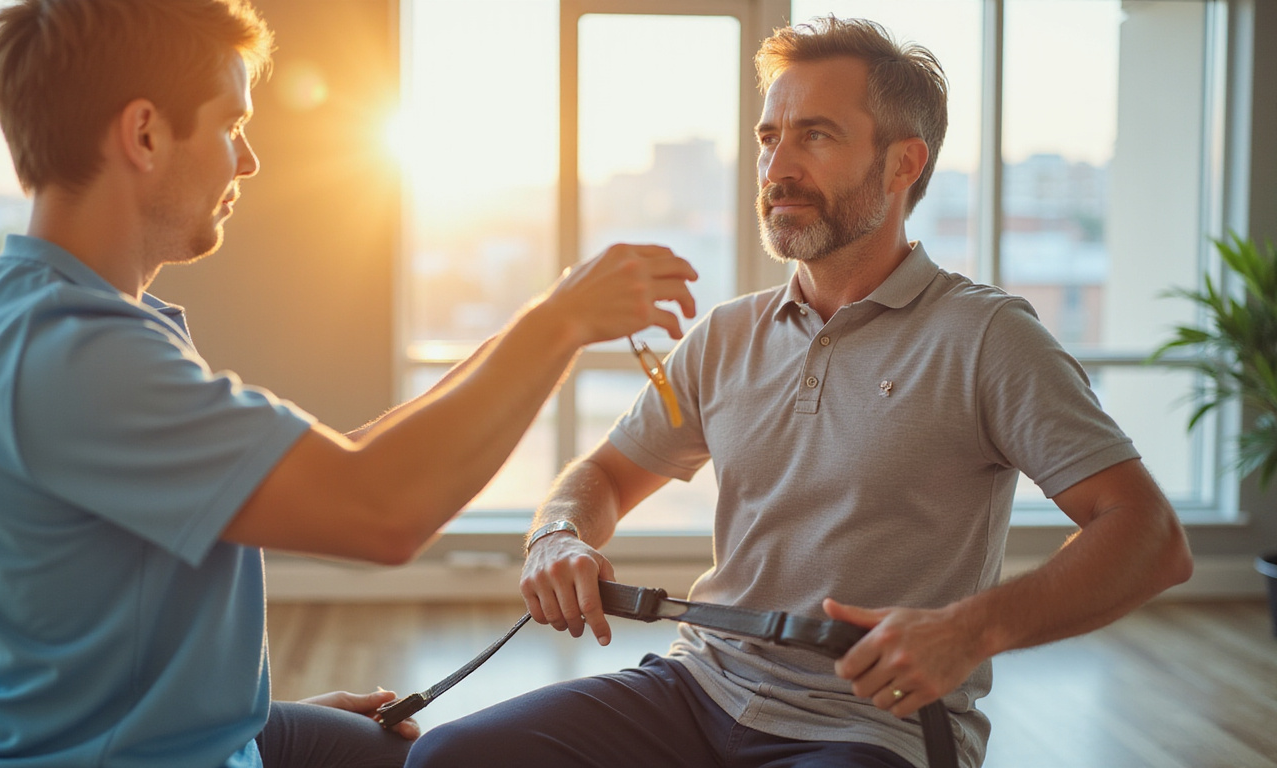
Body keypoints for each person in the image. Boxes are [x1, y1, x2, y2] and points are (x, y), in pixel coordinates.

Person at [405, 16, 1194, 768]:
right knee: (449, 756)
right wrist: (559, 534)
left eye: (815, 135)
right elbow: (605, 477)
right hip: (700, 684)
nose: (779, 167)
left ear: (903, 164)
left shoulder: (987, 337)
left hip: (869, 726)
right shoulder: (726, 335)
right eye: (768, 137)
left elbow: (1148, 535)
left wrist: (969, 632)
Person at [0, 1, 698, 767]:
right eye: (232, 123)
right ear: (144, 134)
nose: (248, 159)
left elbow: (340, 460)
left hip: (150, 728)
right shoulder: (77, 356)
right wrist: (557, 323)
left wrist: (249, 708)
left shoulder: (64, 315)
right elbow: (382, 509)